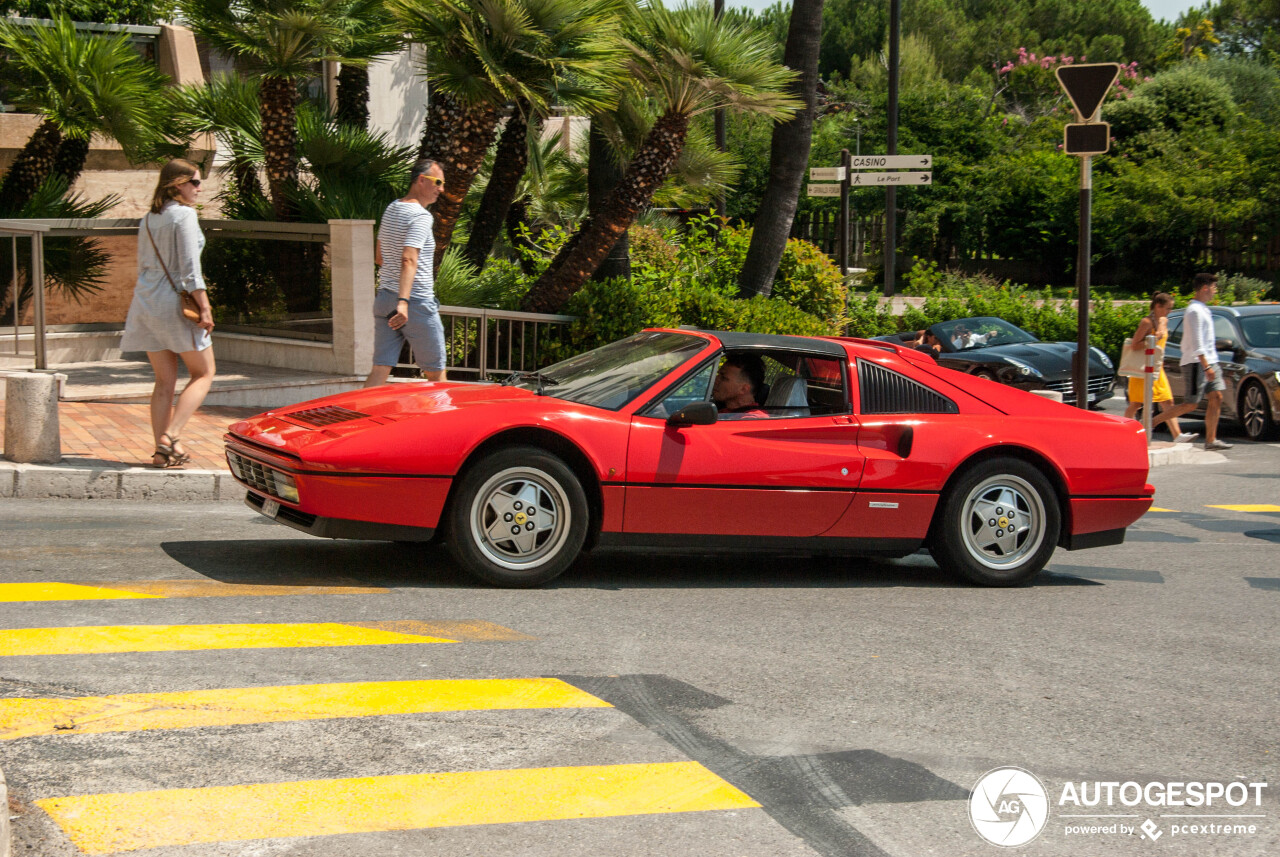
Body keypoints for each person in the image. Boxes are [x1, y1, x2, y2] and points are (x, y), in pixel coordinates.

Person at [119, 158, 215, 468]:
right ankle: (171, 436)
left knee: (164, 382)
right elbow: (190, 270)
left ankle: (161, 454)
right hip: (174, 303)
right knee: (204, 372)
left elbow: (144, 265)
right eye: (195, 182)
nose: (200, 188)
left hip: (146, 302)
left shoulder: (149, 217)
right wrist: (205, 307)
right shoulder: (184, 216)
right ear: (177, 184)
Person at [365, 158, 448, 387]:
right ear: (421, 180)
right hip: (414, 302)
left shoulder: (393, 208)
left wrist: (395, 295)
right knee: (436, 375)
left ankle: (357, 419)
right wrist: (403, 302)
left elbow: (379, 257)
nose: (441, 189)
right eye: (438, 182)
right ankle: (440, 423)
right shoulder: (421, 216)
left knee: (379, 370)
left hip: (384, 299)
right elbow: (408, 258)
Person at [1151, 273, 1232, 451]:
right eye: (1213, 288)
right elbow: (1197, 342)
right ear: (1205, 288)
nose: (1215, 291)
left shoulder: (1203, 309)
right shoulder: (1194, 310)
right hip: (1196, 362)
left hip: (1210, 361)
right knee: (1191, 404)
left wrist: (1212, 364)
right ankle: (1152, 422)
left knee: (1216, 397)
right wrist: (1206, 365)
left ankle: (1211, 440)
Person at [1123, 292, 1195, 443]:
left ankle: (1177, 435)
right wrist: (1155, 338)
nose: (1169, 311)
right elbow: (1135, 345)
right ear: (1157, 306)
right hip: (1142, 369)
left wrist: (1162, 326)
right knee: (1136, 403)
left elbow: (1162, 334)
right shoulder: (1146, 323)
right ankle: (1124, 432)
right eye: (1167, 308)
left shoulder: (1163, 321)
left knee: (1167, 401)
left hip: (1156, 368)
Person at [712, 353, 767, 418]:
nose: (715, 380)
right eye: (718, 375)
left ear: (743, 389)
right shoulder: (726, 412)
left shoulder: (753, 419)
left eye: (723, 378)